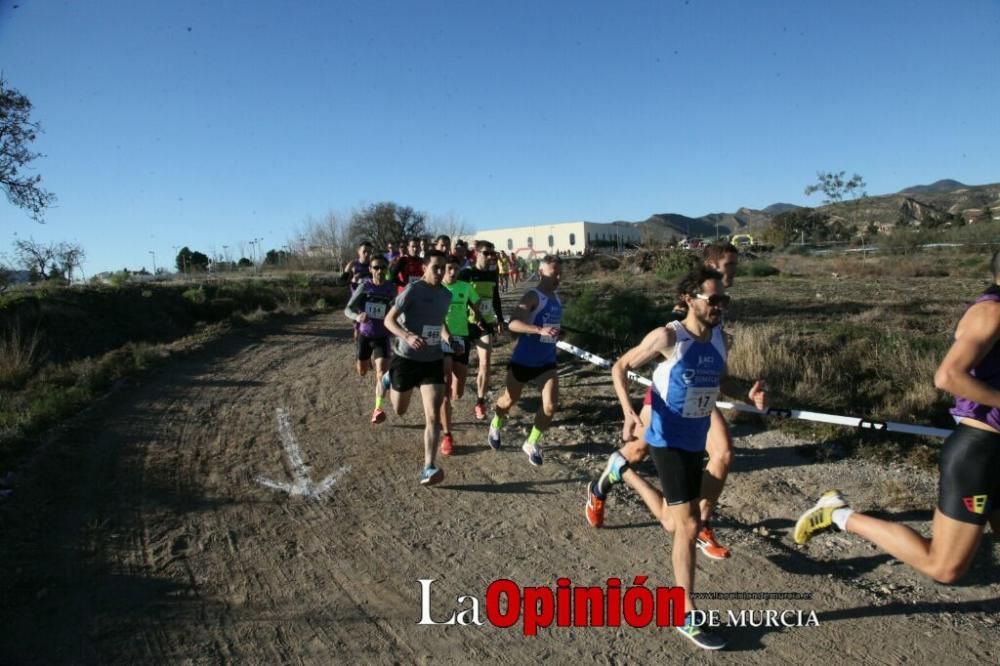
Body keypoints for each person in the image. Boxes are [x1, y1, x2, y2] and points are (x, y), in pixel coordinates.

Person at [794, 251, 1000, 584]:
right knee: (944, 567)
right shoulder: (991, 312)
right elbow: (948, 376)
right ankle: (838, 514)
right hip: (979, 451)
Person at [607, 267, 766, 649]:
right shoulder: (668, 337)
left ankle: (623, 471)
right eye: (714, 300)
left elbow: (721, 380)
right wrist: (630, 414)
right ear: (688, 300)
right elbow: (621, 366)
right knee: (689, 525)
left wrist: (747, 392)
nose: (720, 307)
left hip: (696, 440)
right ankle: (685, 611)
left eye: (724, 300)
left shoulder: (719, 340)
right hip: (667, 439)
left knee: (671, 521)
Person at [585, 244, 740, 560]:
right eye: (729, 265)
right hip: (669, 394)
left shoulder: (719, 301)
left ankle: (699, 523)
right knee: (639, 448)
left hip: (701, 398)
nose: (734, 271)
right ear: (711, 266)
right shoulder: (692, 305)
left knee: (723, 453)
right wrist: (628, 411)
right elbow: (669, 345)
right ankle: (610, 476)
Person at [382, 250, 454, 485]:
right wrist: (407, 335)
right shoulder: (412, 291)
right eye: (436, 267)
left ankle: (429, 467)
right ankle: (388, 378)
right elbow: (388, 320)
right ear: (424, 267)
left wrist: (448, 339)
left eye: (443, 267)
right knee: (400, 410)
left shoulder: (446, 294)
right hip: (406, 358)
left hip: (432, 359)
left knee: (433, 416)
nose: (441, 271)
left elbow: (439, 321)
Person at [487, 255, 563, 466]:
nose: (557, 277)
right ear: (541, 273)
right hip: (524, 360)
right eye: (553, 273)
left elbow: (551, 328)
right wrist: (539, 329)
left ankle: (531, 442)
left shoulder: (557, 298)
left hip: (547, 362)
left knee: (550, 406)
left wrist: (558, 333)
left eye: (559, 273)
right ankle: (496, 422)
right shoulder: (533, 296)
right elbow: (513, 324)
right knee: (508, 400)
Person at [438, 255, 484, 455]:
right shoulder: (437, 289)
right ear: (443, 269)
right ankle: (447, 435)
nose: (452, 272)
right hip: (442, 340)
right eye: (449, 268)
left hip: (462, 339)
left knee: (459, 391)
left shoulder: (465, 287)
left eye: (455, 268)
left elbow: (477, 306)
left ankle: (447, 409)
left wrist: (480, 319)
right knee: (446, 391)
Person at [343, 256, 395, 423]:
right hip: (365, 336)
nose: (379, 271)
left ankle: (378, 408)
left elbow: (397, 309)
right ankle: (361, 363)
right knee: (363, 371)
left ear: (386, 270)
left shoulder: (390, 288)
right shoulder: (365, 287)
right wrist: (357, 317)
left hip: (382, 336)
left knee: (381, 373)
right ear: (371, 269)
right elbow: (348, 309)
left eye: (382, 268)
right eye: (376, 267)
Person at [459, 242, 505, 421]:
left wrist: (499, 319)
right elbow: (458, 297)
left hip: (485, 323)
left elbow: (495, 298)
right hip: (465, 324)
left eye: (492, 253)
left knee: (485, 363)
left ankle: (480, 402)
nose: (490, 256)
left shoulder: (493, 273)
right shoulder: (466, 273)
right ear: (476, 254)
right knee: (459, 372)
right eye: (486, 253)